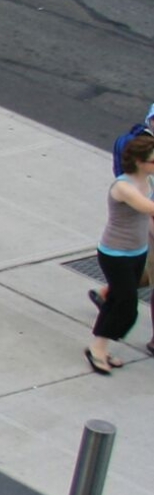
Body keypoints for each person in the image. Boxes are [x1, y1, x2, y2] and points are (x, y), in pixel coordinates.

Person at [88, 135, 154, 375]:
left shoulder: (150, 182)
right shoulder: (123, 187)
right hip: (115, 254)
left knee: (117, 301)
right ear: (138, 161)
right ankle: (97, 348)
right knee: (126, 306)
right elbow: (149, 208)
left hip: (138, 252)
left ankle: (100, 348)